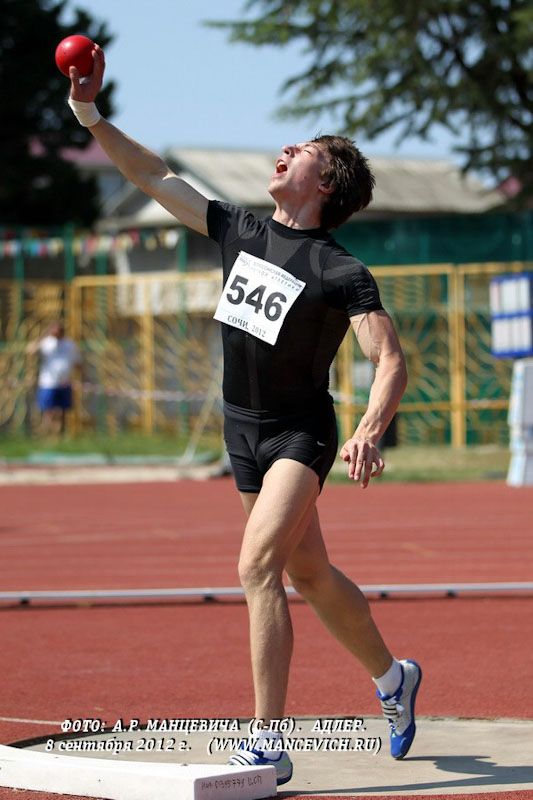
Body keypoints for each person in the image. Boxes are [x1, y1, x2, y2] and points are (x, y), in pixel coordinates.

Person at [67, 46, 422, 785]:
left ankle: (267, 741)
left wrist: (366, 430)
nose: (286, 149)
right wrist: (88, 112)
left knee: (257, 567)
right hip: (241, 430)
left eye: (304, 150)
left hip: (299, 433)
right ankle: (394, 678)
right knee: (309, 573)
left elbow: (388, 358)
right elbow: (151, 175)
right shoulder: (239, 230)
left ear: (324, 183)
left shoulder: (340, 271)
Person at [26, 321, 81, 436]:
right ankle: (48, 434)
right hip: (48, 383)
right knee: (49, 410)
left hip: (64, 382)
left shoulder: (69, 344)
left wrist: (80, 378)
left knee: (62, 411)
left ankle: (60, 435)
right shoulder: (46, 343)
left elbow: (78, 362)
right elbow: (30, 350)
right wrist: (44, 335)